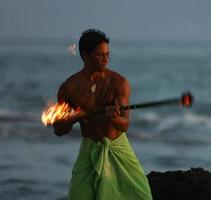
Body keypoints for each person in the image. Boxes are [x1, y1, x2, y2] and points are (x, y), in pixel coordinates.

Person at [53, 29, 152, 200]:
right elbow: (58, 130)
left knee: (142, 196)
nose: (106, 59)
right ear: (85, 55)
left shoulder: (119, 83)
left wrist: (113, 116)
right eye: (100, 55)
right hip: (88, 150)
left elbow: (124, 125)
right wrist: (75, 118)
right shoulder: (69, 87)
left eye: (108, 54)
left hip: (117, 147)